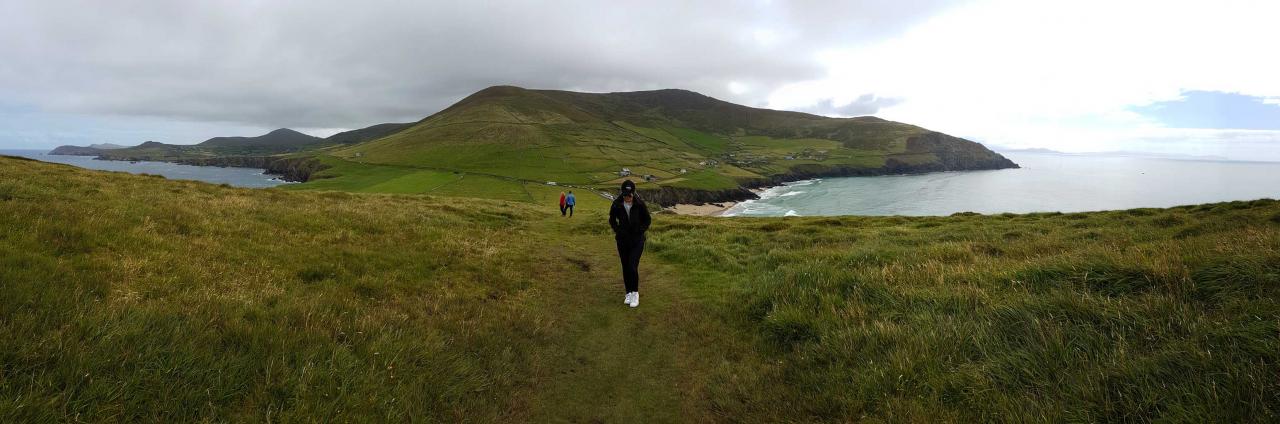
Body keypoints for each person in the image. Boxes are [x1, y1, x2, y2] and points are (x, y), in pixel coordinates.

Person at [608, 180, 650, 308]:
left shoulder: (639, 204)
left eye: (629, 195)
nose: (627, 198)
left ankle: (635, 293)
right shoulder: (616, 204)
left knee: (632, 266)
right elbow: (612, 220)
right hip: (622, 241)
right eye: (625, 195)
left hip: (637, 241)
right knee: (625, 266)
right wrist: (618, 230)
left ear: (633, 193)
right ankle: (628, 293)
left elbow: (647, 220)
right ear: (622, 193)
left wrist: (640, 230)